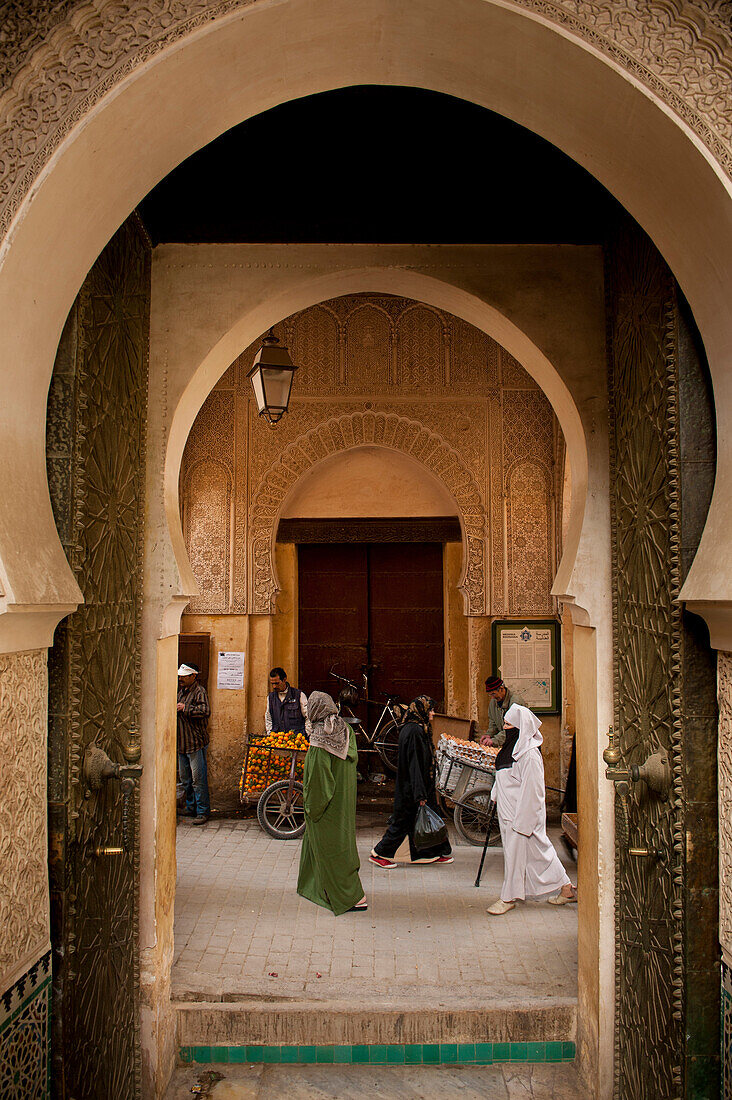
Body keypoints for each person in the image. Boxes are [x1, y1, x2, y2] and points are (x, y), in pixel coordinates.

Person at [487, 703, 577, 915]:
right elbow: (503, 777)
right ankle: (566, 889)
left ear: (520, 727)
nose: (506, 728)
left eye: (509, 725)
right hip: (509, 816)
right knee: (541, 854)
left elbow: (534, 792)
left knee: (515, 858)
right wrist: (495, 795)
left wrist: (523, 823)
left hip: (521, 818)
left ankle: (507, 897)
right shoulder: (510, 752)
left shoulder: (529, 756)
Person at [297, 690, 366, 914]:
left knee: (331, 849)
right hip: (344, 803)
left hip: (327, 809)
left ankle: (347, 895)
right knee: (344, 846)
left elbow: (319, 783)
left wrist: (311, 807)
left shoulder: (320, 739)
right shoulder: (345, 731)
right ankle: (329, 888)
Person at [369, 695, 453, 869]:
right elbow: (414, 763)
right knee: (403, 822)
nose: (433, 713)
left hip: (419, 784)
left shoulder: (416, 728)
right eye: (430, 710)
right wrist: (419, 793)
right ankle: (380, 853)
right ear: (421, 711)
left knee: (427, 817)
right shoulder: (414, 731)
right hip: (413, 786)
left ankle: (432, 852)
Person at [177, 662, 211, 824]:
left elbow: (205, 711)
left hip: (195, 742)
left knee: (198, 779)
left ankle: (202, 811)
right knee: (186, 779)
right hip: (182, 743)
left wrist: (185, 708)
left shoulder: (199, 692)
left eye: (184, 676)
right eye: (180, 676)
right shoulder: (181, 692)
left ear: (193, 676)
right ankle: (190, 807)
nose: (181, 679)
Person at [480, 676, 527, 747]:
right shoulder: (493, 702)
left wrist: (495, 740)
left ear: (501, 689)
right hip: (507, 743)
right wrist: (488, 735)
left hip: (520, 743)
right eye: (490, 695)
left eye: (493, 694)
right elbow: (493, 724)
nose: (492, 698)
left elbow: (512, 728)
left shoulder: (515, 702)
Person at [265, 667, 312, 737]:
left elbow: (308, 716)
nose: (274, 686)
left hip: (297, 740)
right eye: (272, 684)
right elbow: (268, 717)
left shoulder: (299, 695)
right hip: (277, 741)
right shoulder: (270, 698)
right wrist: (270, 733)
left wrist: (305, 733)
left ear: (284, 680)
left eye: (277, 683)